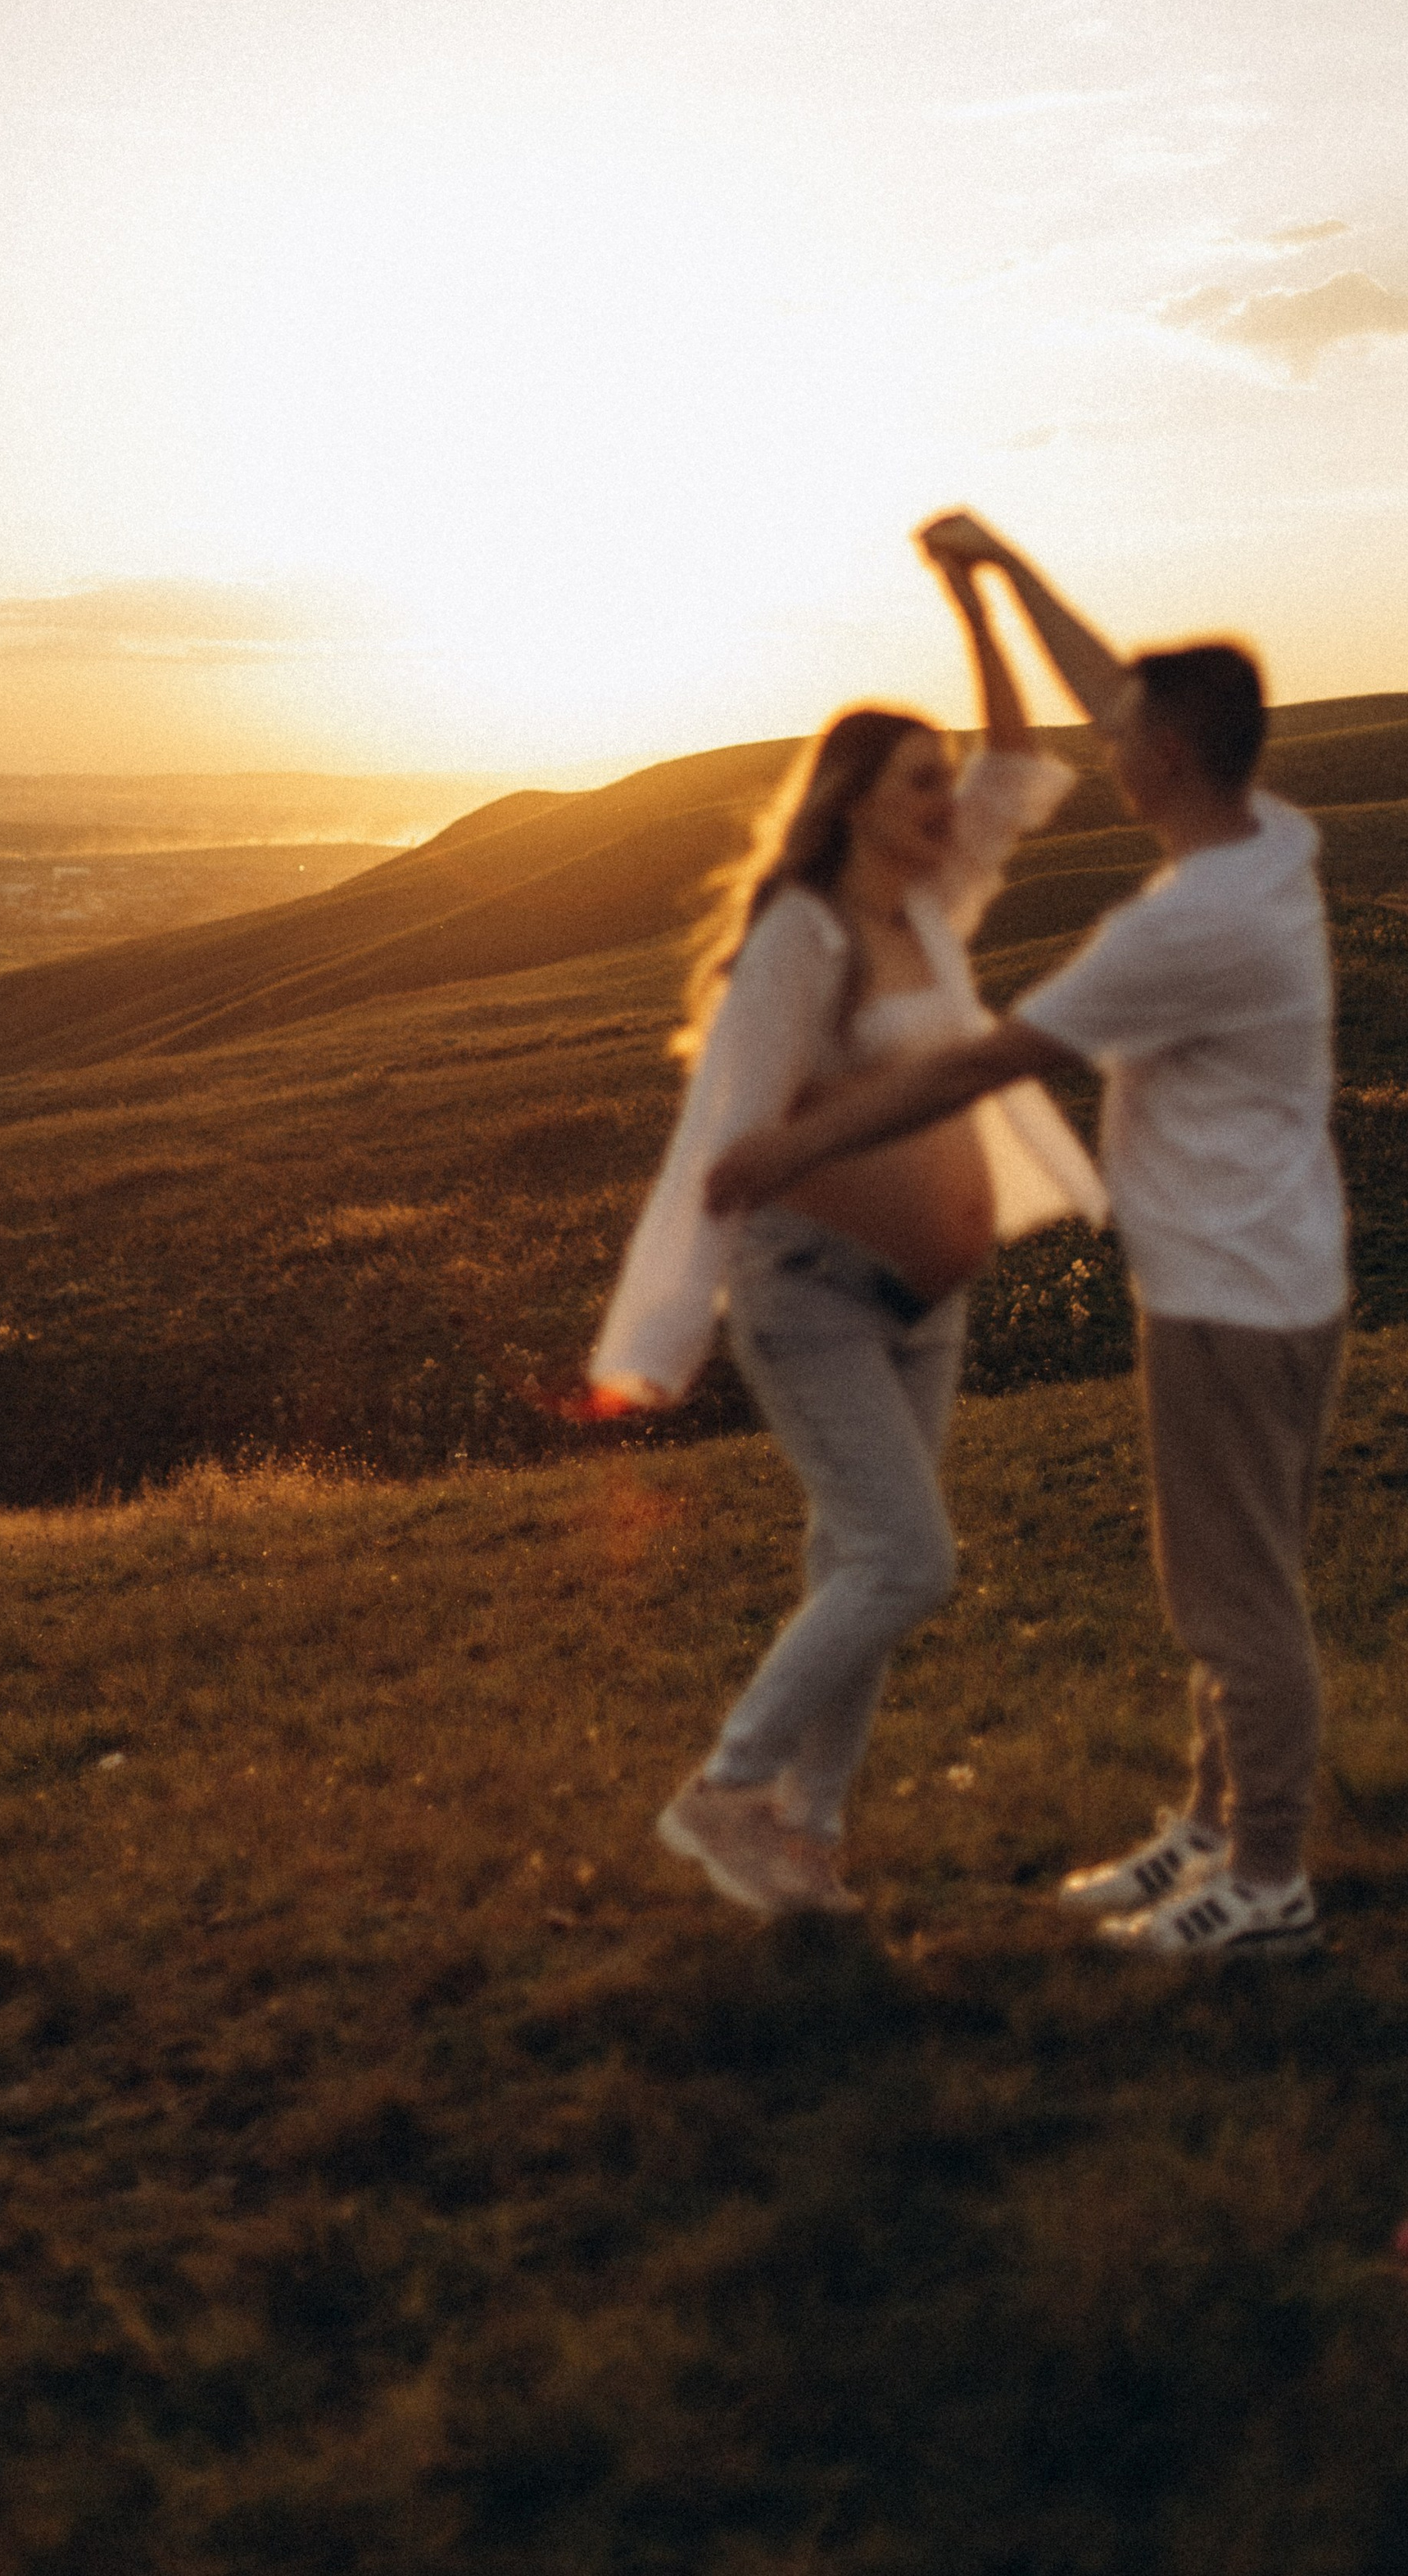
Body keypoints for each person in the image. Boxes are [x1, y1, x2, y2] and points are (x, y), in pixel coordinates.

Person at [707, 512, 1350, 1960]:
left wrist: (790, 1148)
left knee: (1233, 1601)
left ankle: (1267, 1880)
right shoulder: (1268, 842)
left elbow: (978, 1067)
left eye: (1130, 736)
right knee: (1235, 1576)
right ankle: (1212, 1823)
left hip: (1232, 1296)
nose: (1108, 746)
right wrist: (995, 573)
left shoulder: (1183, 930)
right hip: (1279, 1271)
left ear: (1167, 761)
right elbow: (1130, 694)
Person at [588, 536, 1107, 1918]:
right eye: (920, 782)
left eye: (944, 784)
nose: (952, 800)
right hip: (811, 1294)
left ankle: (807, 1835)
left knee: (855, 1562)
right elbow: (726, 1144)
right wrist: (663, 1320)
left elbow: (1016, 762)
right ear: (856, 801)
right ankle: (727, 1790)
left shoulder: (932, 917)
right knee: (904, 1561)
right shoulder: (802, 940)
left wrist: (977, 591)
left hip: (925, 1303)